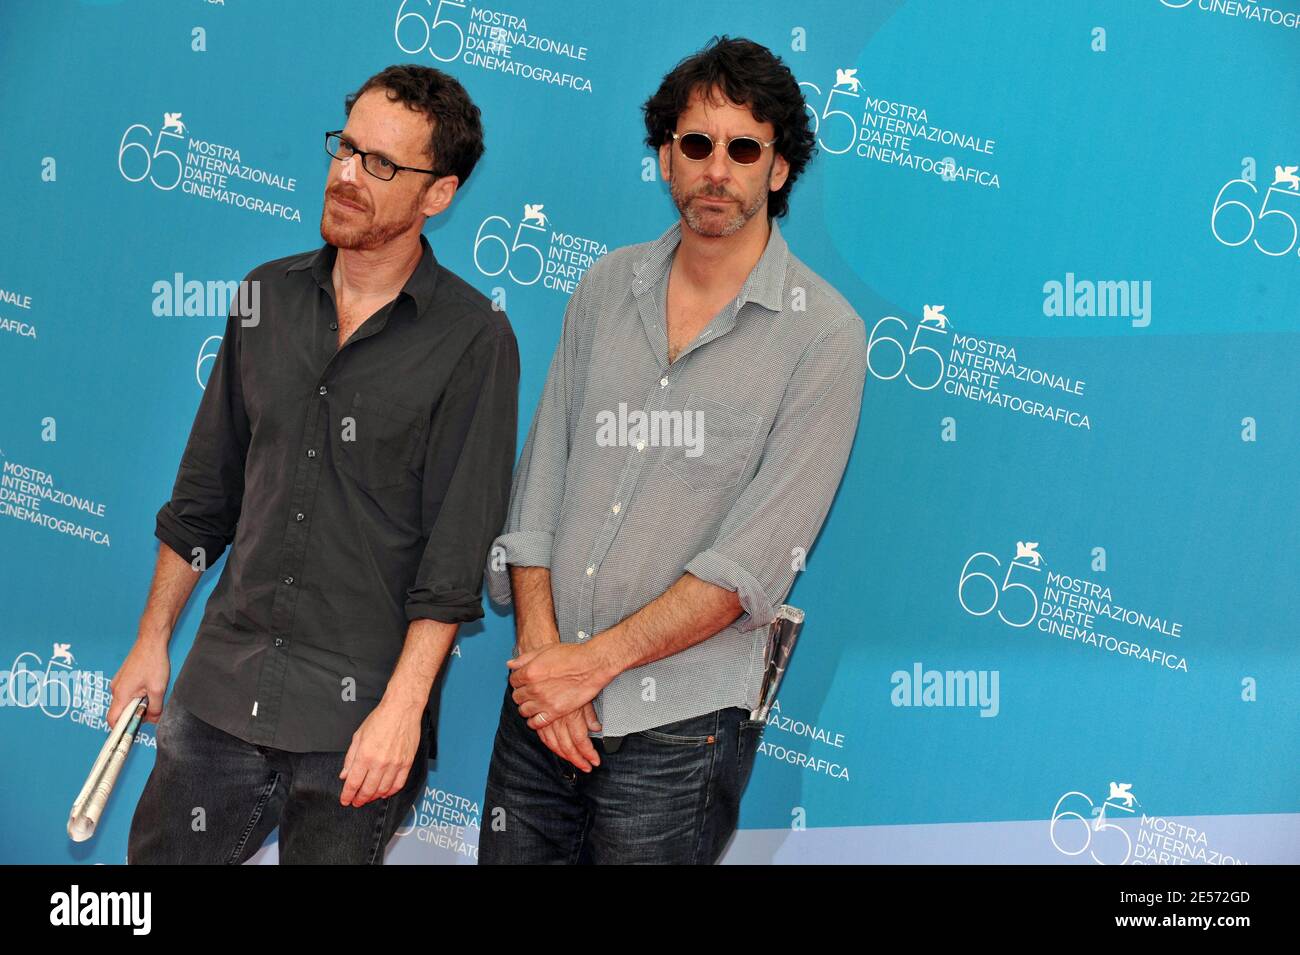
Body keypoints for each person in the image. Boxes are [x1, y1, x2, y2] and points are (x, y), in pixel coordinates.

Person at [110, 64, 519, 864]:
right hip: (219, 693)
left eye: (382, 165)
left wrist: (404, 709)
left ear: (438, 194)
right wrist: (151, 639)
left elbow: (455, 556)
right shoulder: (264, 296)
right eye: (346, 148)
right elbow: (202, 500)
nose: (346, 176)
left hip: (357, 729)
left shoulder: (474, 341)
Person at [479, 36, 867, 864]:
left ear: (781, 168)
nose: (716, 169)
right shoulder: (602, 285)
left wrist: (590, 667)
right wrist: (546, 664)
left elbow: (749, 568)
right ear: (665, 157)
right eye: (696, 144)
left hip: (677, 736)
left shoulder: (825, 338)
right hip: (541, 707)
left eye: (743, 148)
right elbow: (539, 485)